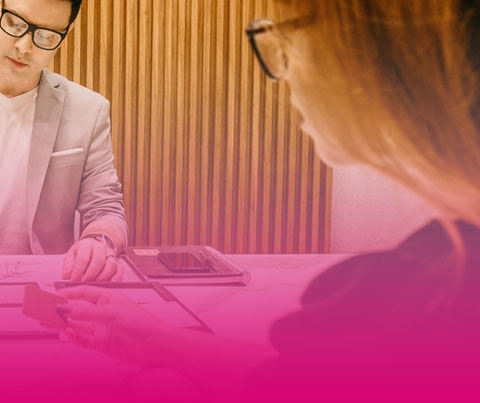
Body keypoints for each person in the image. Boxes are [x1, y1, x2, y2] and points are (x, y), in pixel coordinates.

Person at [56, 0, 480, 400]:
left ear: (365, 47)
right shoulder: (438, 282)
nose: (283, 75)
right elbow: (307, 376)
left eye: (285, 36)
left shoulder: (428, 298)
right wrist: (156, 340)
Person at [0, 0, 127, 281]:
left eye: (46, 35)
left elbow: (106, 209)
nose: (24, 46)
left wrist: (98, 243)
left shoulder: (88, 110)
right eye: (15, 24)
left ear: (65, 34)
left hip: (46, 287)